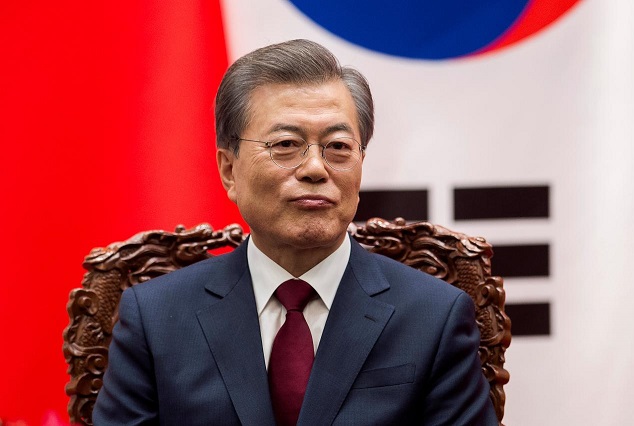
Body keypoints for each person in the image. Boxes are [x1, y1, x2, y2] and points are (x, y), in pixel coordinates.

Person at [93, 39, 497, 425]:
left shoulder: (434, 317)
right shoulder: (156, 318)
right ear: (229, 170)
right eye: (286, 144)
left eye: (338, 146)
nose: (316, 169)